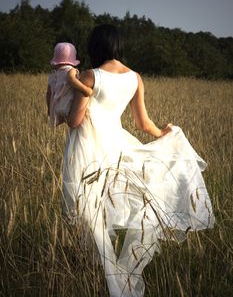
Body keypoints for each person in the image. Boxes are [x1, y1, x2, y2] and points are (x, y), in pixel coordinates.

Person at [62, 25, 215, 297]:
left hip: (90, 151)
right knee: (132, 208)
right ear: (118, 46)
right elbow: (143, 123)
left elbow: (74, 121)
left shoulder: (89, 76)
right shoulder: (135, 77)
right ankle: (121, 278)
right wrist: (164, 133)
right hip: (120, 148)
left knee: (93, 214)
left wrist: (61, 106)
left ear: (95, 47)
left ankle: (111, 283)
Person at [46, 42, 93, 126]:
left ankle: (58, 119)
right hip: (68, 105)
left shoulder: (52, 76)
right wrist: (86, 90)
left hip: (56, 106)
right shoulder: (72, 71)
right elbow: (71, 79)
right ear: (72, 61)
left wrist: (49, 109)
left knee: (59, 120)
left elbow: (48, 94)